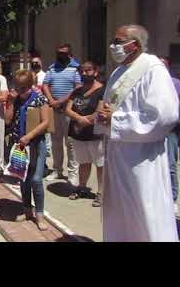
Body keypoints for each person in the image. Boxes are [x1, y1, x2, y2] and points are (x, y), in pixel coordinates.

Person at [99, 24, 178, 242]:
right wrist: (100, 118)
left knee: (145, 212)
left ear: (134, 45)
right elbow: (109, 107)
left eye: (118, 41)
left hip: (142, 159)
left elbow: (164, 116)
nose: (113, 45)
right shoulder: (118, 72)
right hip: (117, 154)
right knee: (120, 214)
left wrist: (116, 121)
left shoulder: (153, 69)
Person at [5, 70, 50, 231]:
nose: (20, 91)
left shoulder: (39, 99)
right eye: (18, 88)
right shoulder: (16, 100)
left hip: (36, 144)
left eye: (23, 88)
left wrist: (29, 136)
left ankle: (40, 215)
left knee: (36, 179)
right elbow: (8, 120)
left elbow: (45, 122)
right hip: (20, 146)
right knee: (23, 179)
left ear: (30, 86)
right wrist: (10, 102)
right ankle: (27, 211)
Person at [65, 61, 105, 207]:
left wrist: (85, 121)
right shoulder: (77, 91)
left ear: (95, 72)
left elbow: (99, 111)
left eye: (88, 71)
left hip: (95, 134)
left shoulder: (102, 90)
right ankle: (82, 187)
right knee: (83, 162)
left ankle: (101, 193)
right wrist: (79, 119)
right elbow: (68, 109)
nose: (84, 73)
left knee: (100, 164)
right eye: (82, 71)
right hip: (78, 133)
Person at [43, 44, 82, 184]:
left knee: (70, 143)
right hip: (54, 109)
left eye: (63, 53)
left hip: (69, 111)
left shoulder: (76, 68)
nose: (60, 56)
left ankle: (72, 173)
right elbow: (45, 85)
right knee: (55, 142)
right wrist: (52, 101)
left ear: (70, 54)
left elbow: (78, 87)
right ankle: (57, 170)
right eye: (58, 53)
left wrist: (61, 101)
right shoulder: (52, 68)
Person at [158, 56, 180, 215]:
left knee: (170, 165)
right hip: (152, 130)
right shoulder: (149, 83)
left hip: (171, 130)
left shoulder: (176, 84)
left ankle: (172, 198)